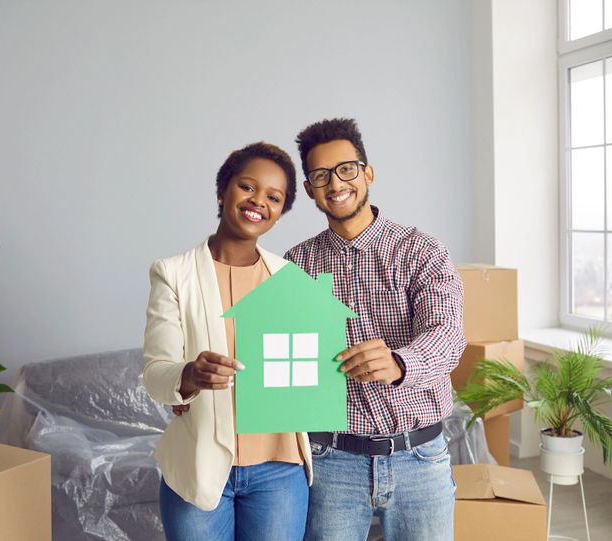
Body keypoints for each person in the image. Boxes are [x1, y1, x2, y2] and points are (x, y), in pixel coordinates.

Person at [285, 117, 465, 541]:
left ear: (368, 172)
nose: (335, 183)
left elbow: (448, 334)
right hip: (331, 461)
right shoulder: (296, 266)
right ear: (310, 189)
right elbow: (278, 357)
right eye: (321, 175)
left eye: (346, 169)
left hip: (419, 456)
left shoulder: (421, 249)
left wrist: (401, 362)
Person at [142, 142, 311, 541]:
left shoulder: (288, 278)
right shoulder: (173, 273)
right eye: (247, 187)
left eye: (274, 197)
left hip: (279, 469)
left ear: (280, 212)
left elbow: (303, 366)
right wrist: (189, 375)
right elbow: (155, 374)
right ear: (223, 191)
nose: (259, 202)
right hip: (201, 465)